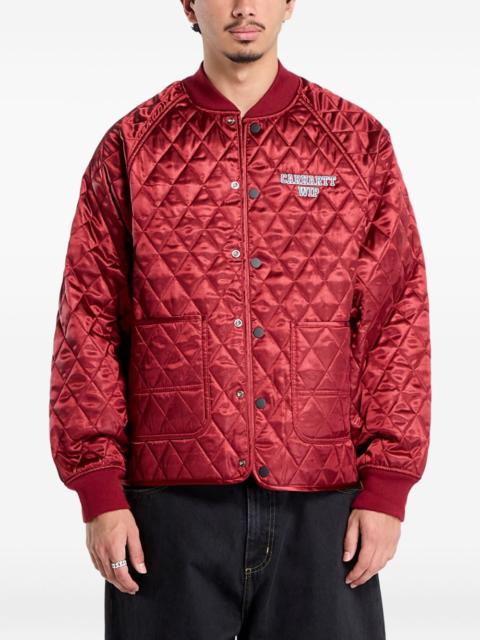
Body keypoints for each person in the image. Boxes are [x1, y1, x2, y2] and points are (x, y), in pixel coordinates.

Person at [48, 1, 431, 638]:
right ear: (189, 5)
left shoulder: (357, 140)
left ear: (289, 3)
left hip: (324, 505)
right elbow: (87, 319)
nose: (244, 6)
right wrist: (99, 491)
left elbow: (397, 317)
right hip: (167, 511)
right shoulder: (132, 144)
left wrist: (388, 485)